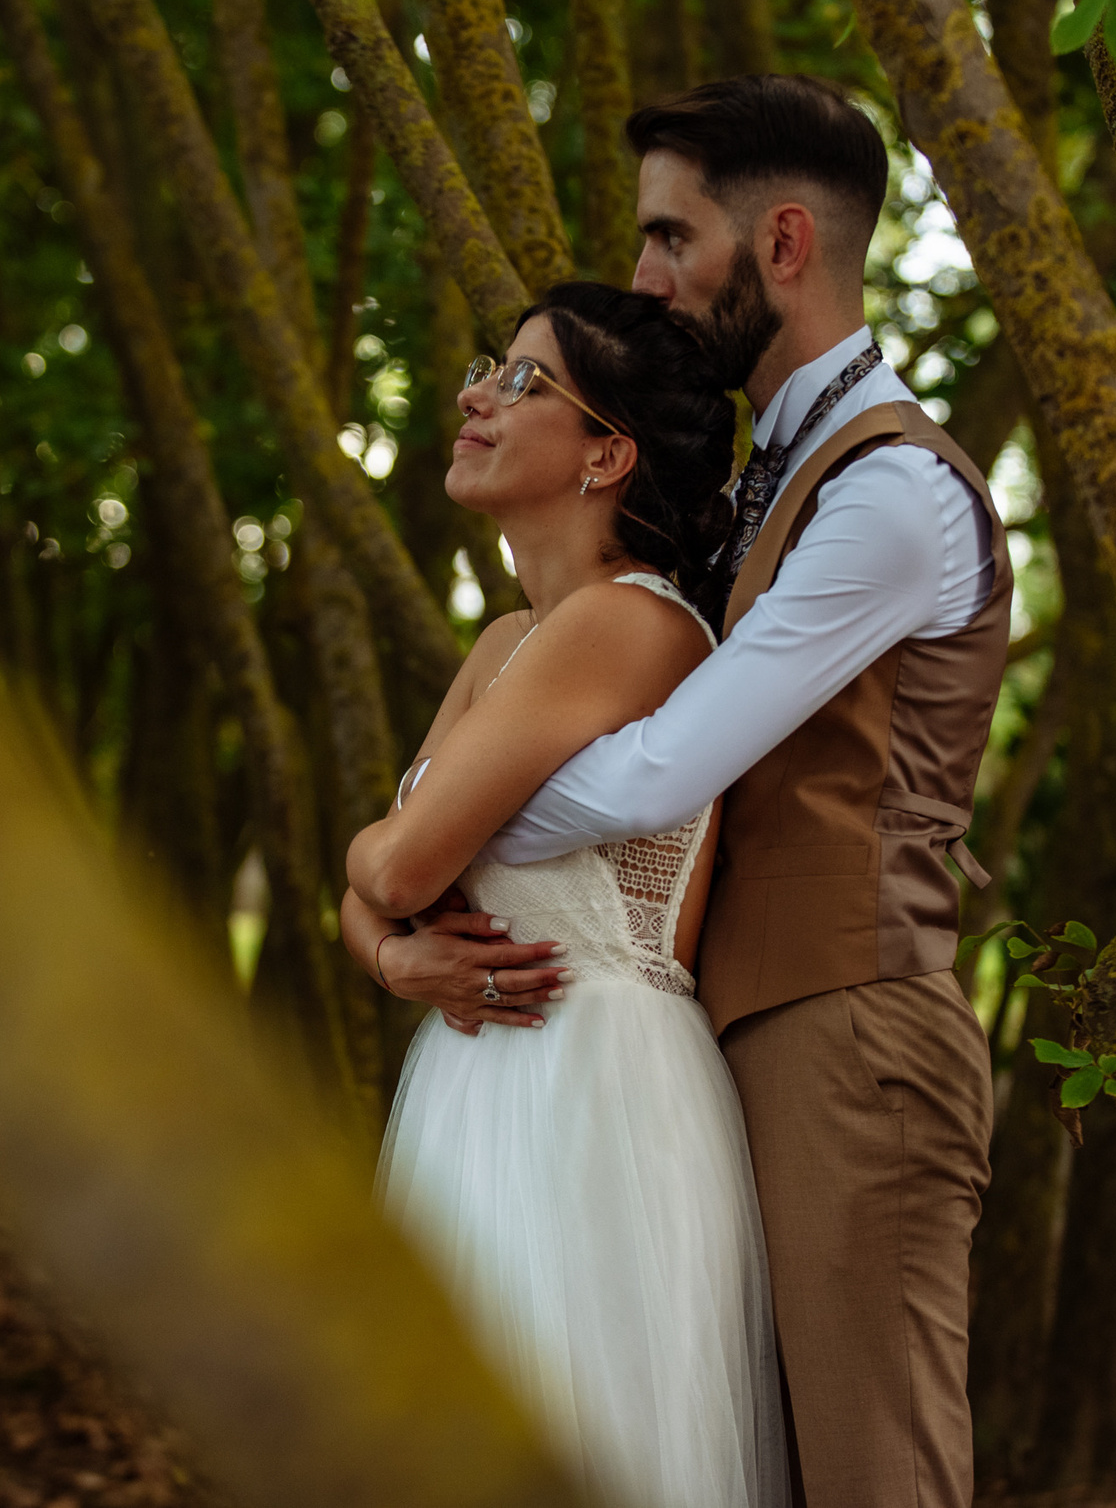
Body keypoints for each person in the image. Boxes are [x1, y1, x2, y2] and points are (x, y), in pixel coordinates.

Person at [467, 75, 1010, 1508]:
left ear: (779, 246)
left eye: (668, 241)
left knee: (873, 1477)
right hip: (720, 1041)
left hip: (853, 1039)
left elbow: (662, 769)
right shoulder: (770, 477)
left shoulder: (892, 493)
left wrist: (432, 841)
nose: (644, 278)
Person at [339, 281, 787, 1508]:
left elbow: (399, 865)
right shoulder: (503, 643)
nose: (475, 394)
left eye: (523, 380)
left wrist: (380, 886)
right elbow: (378, 896)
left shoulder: (630, 626)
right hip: (486, 1072)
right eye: (488, 367)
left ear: (608, 451)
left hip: (589, 1086)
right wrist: (393, 960)